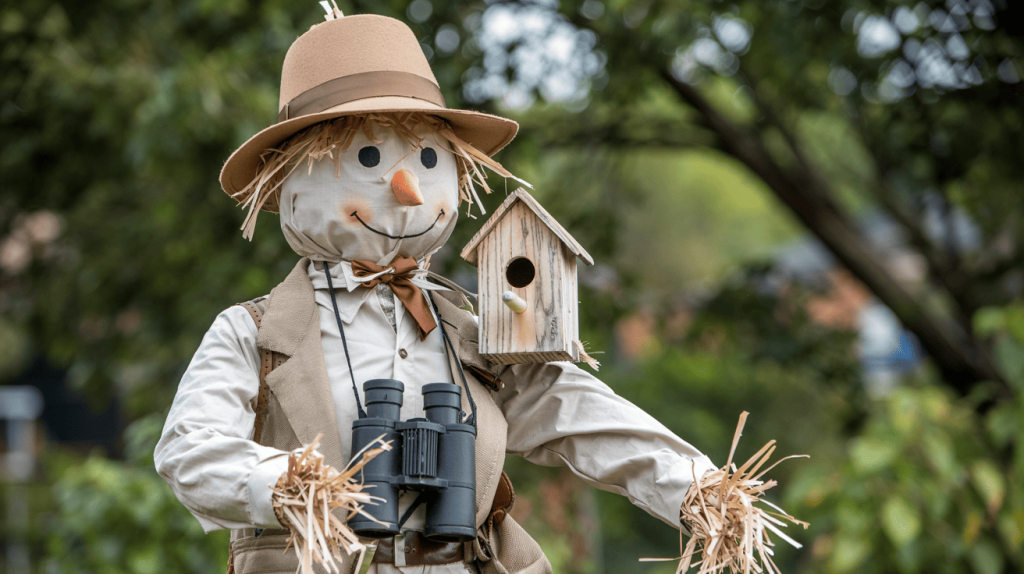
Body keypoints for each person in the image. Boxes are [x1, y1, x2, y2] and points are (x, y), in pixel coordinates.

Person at [155, 11, 714, 574]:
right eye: (368, 159)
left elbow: (581, 416)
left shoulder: (474, 336)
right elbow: (188, 449)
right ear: (289, 179)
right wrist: (291, 485)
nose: (409, 188)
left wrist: (702, 490)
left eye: (427, 158)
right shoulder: (254, 333)